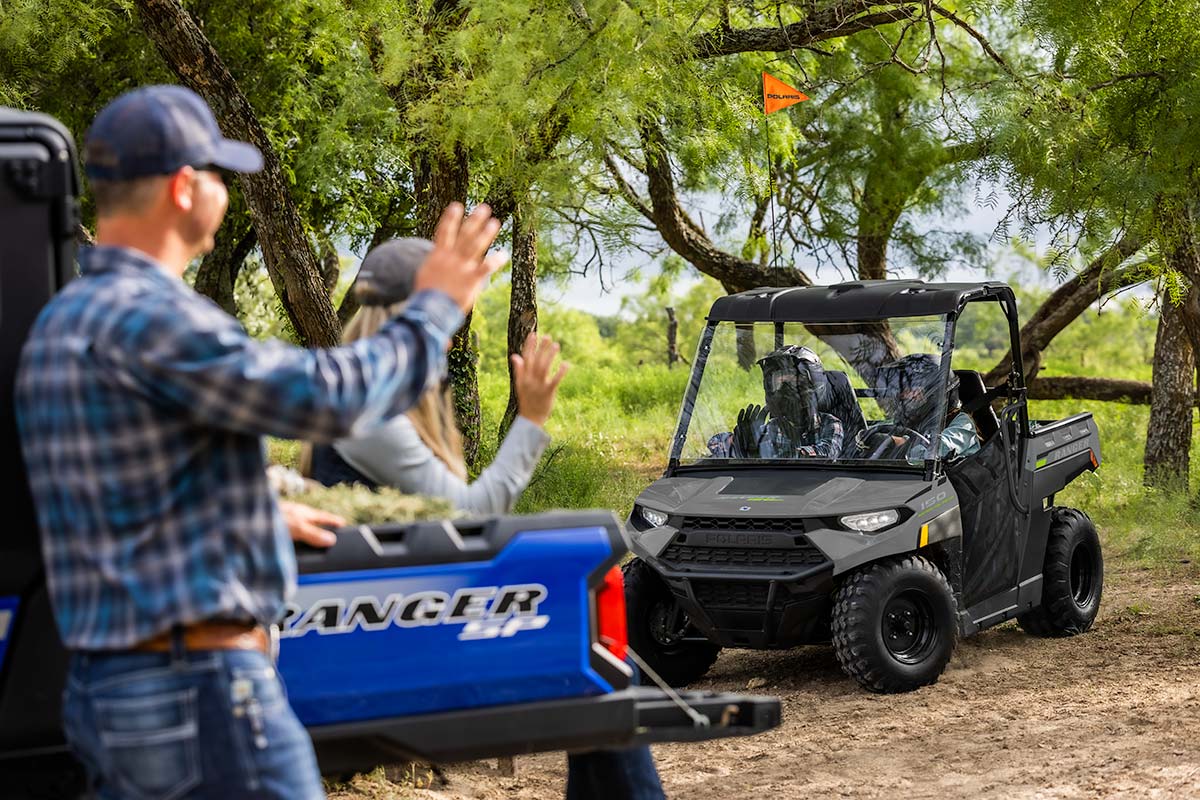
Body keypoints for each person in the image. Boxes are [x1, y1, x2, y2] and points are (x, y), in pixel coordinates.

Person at [14, 85, 503, 799]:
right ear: (185, 188)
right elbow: (328, 397)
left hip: (108, 686)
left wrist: (250, 505)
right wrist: (434, 310)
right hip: (197, 688)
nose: (225, 191)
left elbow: (122, 483)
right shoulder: (154, 318)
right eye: (217, 175)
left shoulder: (64, 322)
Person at [306, 239, 666, 800]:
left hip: (385, 629)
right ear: (406, 317)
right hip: (393, 650)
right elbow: (471, 514)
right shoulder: (372, 413)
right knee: (599, 665)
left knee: (599, 665)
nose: (450, 336)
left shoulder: (362, 402)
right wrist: (532, 422)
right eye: (445, 313)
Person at [707, 345, 844, 459]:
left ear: (812, 383)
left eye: (792, 382)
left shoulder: (830, 424)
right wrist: (740, 443)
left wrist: (766, 453)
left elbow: (826, 454)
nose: (786, 390)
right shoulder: (772, 428)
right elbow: (714, 444)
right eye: (779, 382)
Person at [857, 353, 980, 462]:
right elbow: (886, 430)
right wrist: (867, 436)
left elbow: (936, 452)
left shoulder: (962, 425)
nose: (904, 394)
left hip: (950, 486)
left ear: (935, 393)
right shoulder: (913, 420)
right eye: (903, 387)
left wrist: (900, 443)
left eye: (913, 389)